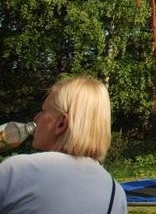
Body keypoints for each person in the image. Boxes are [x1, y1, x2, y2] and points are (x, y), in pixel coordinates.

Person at [0, 75, 128, 213]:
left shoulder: (18, 170)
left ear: (61, 123)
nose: (36, 118)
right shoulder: (116, 193)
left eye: (43, 111)